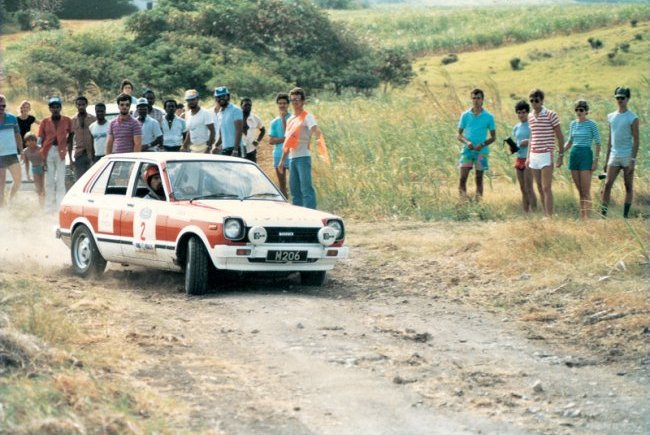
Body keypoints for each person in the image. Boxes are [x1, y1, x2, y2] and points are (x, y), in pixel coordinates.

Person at [278, 87, 321, 209]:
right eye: (292, 100)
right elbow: (287, 142)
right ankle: (300, 217)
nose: (295, 102)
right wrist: (282, 161)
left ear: (303, 101)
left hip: (303, 157)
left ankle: (312, 216)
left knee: (306, 188)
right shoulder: (291, 119)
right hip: (292, 158)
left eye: (297, 99)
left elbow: (315, 129)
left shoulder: (307, 116)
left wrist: (318, 138)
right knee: (295, 190)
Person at [601, 86, 639, 219]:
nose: (620, 100)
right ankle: (603, 216)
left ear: (628, 99)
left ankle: (625, 216)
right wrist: (606, 162)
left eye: (622, 98)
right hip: (614, 155)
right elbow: (610, 141)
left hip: (627, 155)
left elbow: (636, 141)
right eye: (618, 97)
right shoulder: (611, 117)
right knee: (607, 185)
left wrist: (633, 161)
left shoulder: (633, 118)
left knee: (628, 186)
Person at [525, 88, 564, 218]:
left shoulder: (550, 114)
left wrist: (561, 155)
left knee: (547, 187)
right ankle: (546, 214)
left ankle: (550, 216)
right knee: (540, 187)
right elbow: (532, 136)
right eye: (531, 101)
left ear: (542, 101)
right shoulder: (530, 116)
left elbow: (560, 136)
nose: (534, 103)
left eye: (536, 100)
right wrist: (528, 157)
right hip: (534, 155)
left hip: (546, 154)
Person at [564, 99, 601, 219]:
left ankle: (588, 217)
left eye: (581, 110)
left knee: (586, 190)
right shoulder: (573, 124)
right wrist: (560, 151)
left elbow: (598, 142)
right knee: (579, 190)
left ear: (586, 111)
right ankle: (582, 216)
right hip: (574, 154)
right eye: (577, 110)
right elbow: (569, 141)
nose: (579, 112)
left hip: (586, 154)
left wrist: (595, 160)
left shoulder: (592, 124)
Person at [457, 88, 496, 200]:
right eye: (474, 98)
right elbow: (459, 135)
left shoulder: (489, 117)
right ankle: (463, 202)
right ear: (471, 99)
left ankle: (478, 204)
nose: (476, 100)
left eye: (478, 98)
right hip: (467, 151)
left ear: (482, 100)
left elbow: (493, 137)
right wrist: (467, 142)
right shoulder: (465, 115)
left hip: (481, 152)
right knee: (462, 178)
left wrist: (482, 144)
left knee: (479, 178)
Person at [38, 96, 72, 213]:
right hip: (48, 151)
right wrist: (41, 155)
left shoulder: (67, 120)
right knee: (50, 181)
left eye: (57, 107)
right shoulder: (45, 122)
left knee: (61, 180)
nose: (55, 109)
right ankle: (48, 208)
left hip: (61, 151)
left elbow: (71, 134)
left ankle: (60, 207)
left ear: (60, 108)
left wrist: (66, 144)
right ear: (50, 108)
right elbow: (40, 138)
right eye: (53, 107)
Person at [512, 100, 536, 213]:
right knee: (522, 188)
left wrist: (529, 141)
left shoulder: (532, 125)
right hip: (519, 158)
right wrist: (513, 147)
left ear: (527, 112)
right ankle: (526, 212)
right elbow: (517, 144)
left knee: (529, 187)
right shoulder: (516, 127)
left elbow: (537, 140)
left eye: (523, 112)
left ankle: (535, 212)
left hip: (529, 158)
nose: (521, 115)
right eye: (519, 112)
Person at [0, 95, 23, 207]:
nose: (1, 108)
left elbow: (18, 135)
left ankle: (10, 199)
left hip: (11, 153)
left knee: (18, 180)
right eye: (0, 106)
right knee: (1, 184)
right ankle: (2, 208)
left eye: (3, 105)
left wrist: (22, 150)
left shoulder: (12, 118)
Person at [68, 95, 97, 180]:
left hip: (91, 154)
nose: (81, 107)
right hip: (79, 155)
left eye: (83, 104)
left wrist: (94, 155)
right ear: (76, 105)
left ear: (86, 105)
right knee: (80, 181)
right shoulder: (72, 120)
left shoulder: (93, 119)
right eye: (79, 105)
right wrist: (70, 159)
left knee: (92, 180)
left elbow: (95, 137)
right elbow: (70, 141)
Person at [268, 93, 291, 197]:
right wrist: (285, 139)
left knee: (294, 183)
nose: (282, 105)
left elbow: (290, 136)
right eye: (280, 103)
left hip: (291, 155)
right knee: (282, 185)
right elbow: (271, 141)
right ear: (277, 104)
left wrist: (283, 119)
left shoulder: (293, 118)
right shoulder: (274, 122)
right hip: (278, 154)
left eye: (284, 103)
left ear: (288, 104)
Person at [212, 86, 243, 156]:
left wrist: (235, 150)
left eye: (223, 96)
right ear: (216, 99)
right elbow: (221, 135)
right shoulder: (219, 113)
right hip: (225, 148)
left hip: (237, 148)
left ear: (228, 97)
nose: (221, 99)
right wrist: (216, 145)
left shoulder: (235, 110)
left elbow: (239, 131)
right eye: (218, 97)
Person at [181, 89, 214, 153]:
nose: (191, 102)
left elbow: (212, 131)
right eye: (189, 100)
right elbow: (190, 131)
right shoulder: (188, 114)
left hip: (204, 147)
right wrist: (184, 145)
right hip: (193, 148)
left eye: (193, 99)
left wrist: (209, 147)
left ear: (198, 99)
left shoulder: (205, 113)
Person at [21, 132, 45, 207]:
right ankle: (41, 204)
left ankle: (45, 204)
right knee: (38, 189)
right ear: (26, 142)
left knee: (43, 187)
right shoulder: (25, 151)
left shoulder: (40, 148)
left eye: (33, 140)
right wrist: (27, 175)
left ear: (36, 140)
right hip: (34, 169)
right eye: (29, 141)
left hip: (43, 168)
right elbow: (27, 164)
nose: (31, 142)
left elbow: (45, 160)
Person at [240, 97, 266, 162]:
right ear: (241, 106)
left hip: (251, 149)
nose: (248, 107)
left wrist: (257, 140)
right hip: (239, 148)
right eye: (245, 105)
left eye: (249, 105)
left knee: (252, 169)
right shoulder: (237, 118)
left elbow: (263, 130)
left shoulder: (255, 118)